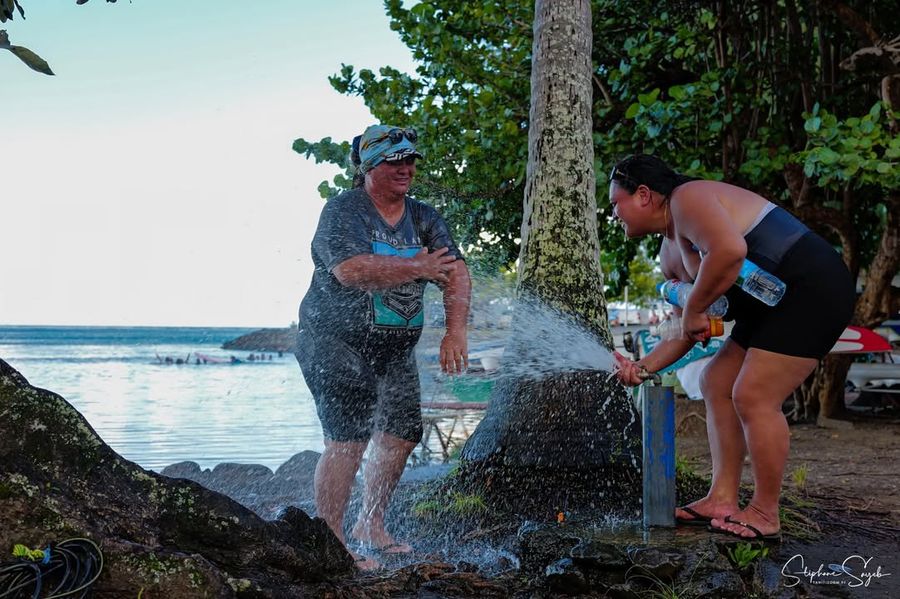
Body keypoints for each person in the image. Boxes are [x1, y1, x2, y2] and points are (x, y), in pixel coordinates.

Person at [610, 155, 854, 540]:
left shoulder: (686, 198)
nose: (615, 215)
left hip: (812, 286)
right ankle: (722, 497)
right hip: (771, 305)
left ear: (643, 195)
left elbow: (729, 251)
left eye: (615, 204)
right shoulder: (669, 254)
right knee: (716, 382)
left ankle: (764, 510)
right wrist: (642, 366)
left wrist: (692, 309)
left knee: (752, 394)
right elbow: (687, 330)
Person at [295, 124, 471, 568]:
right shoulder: (344, 210)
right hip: (333, 341)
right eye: (395, 161)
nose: (406, 168)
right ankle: (332, 540)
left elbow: (456, 271)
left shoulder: (424, 216)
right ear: (370, 165)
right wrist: (416, 266)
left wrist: (456, 331)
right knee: (348, 439)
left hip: (393, 349)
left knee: (400, 436)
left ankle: (370, 523)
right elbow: (351, 270)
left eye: (411, 160)